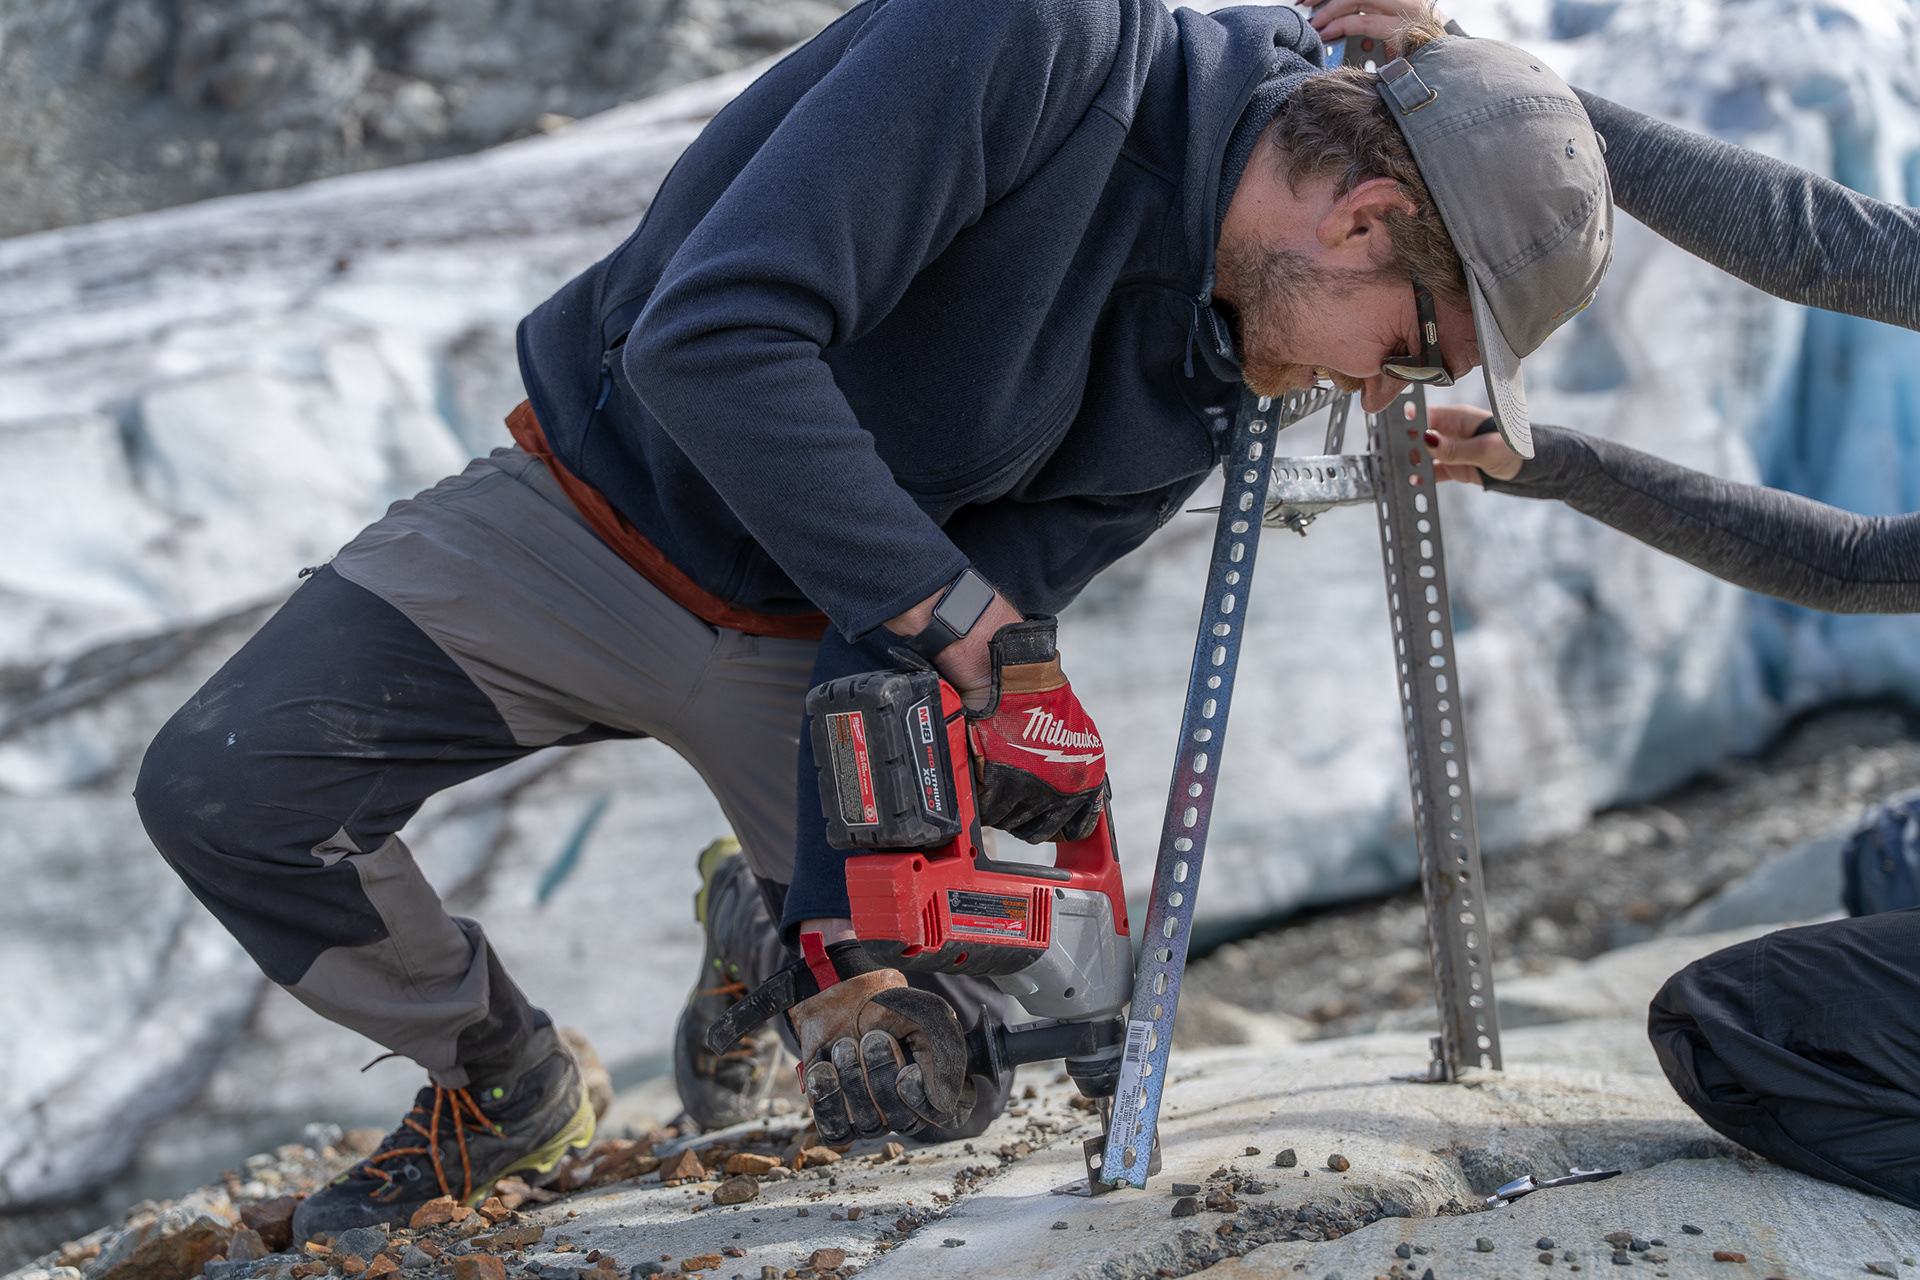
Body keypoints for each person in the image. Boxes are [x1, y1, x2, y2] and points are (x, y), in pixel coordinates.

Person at [127, 0, 1870, 1238]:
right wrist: (961, 617)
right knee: (228, 787)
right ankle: (498, 1075)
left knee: (965, 1057)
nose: (1386, 388)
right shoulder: (1035, 40)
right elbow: (711, 340)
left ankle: (765, 932)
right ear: (1363, 216)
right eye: (1412, 339)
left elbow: (982, 614)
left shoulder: (1214, 368)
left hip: (832, 645)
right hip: (591, 519)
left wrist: (870, 900)